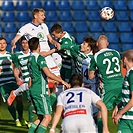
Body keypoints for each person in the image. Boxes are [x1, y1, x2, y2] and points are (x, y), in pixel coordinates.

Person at [27, 37, 69, 133]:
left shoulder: (29, 58)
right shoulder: (39, 57)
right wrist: (61, 81)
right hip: (40, 91)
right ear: (39, 46)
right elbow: (48, 73)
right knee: (48, 117)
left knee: (41, 117)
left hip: (34, 89)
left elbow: (34, 76)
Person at [11, 8, 61, 82]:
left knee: (58, 78)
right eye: (42, 15)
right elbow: (14, 39)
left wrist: (55, 43)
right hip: (38, 56)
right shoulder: (26, 28)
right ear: (35, 16)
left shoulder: (44, 26)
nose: (44, 17)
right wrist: (13, 44)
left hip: (48, 55)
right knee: (46, 80)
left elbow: (50, 40)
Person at [89, 35, 124, 133]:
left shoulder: (96, 56)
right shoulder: (116, 53)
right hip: (121, 84)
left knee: (102, 109)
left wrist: (97, 72)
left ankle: (102, 130)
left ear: (97, 44)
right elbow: (120, 69)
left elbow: (91, 76)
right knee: (123, 109)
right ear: (107, 44)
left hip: (108, 86)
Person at [8, 36, 35, 128]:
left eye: (26, 42)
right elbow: (15, 68)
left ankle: (32, 121)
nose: (24, 44)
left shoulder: (34, 53)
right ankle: (30, 122)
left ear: (29, 43)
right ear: (21, 44)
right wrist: (17, 79)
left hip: (35, 81)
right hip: (26, 83)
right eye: (23, 43)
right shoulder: (18, 55)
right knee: (32, 102)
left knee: (35, 102)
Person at [0, 37, 27, 126]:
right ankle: (16, 119)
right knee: (9, 101)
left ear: (6, 44)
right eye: (0, 43)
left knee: (19, 99)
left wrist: (18, 77)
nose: (2, 45)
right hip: (3, 84)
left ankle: (21, 117)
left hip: (12, 81)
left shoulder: (10, 55)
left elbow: (16, 67)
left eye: (4, 43)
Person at [112, 49, 133, 133]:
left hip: (129, 118)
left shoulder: (131, 74)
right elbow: (127, 96)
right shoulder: (129, 74)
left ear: (124, 59)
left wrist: (120, 113)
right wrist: (118, 105)